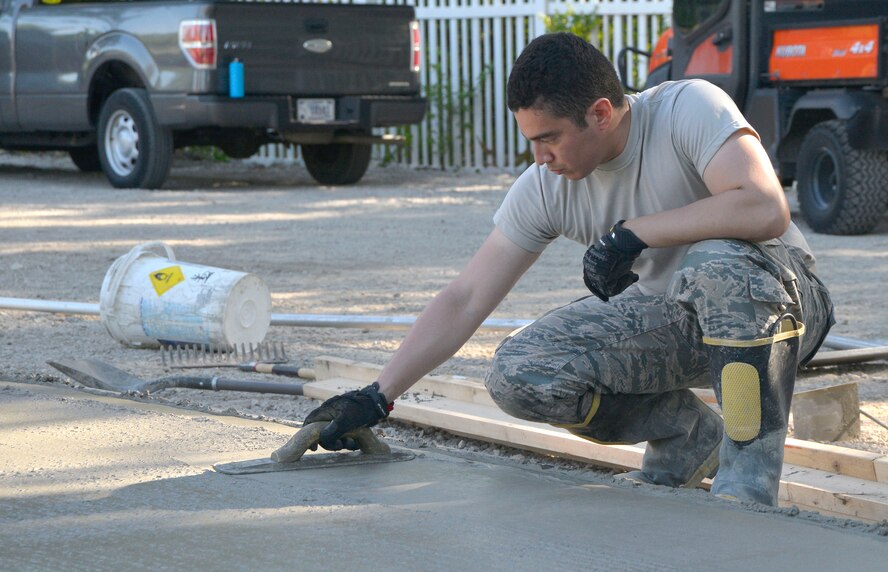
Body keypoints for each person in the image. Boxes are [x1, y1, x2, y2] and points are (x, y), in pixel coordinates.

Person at [303, 32, 834, 507]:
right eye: (531, 140)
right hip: (680, 327)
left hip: (780, 310)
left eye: (548, 137)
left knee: (720, 264)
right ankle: (691, 440)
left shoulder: (688, 109)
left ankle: (744, 496)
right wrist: (378, 395)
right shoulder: (548, 186)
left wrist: (633, 233)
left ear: (601, 113)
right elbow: (467, 296)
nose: (539, 157)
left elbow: (764, 207)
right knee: (519, 371)